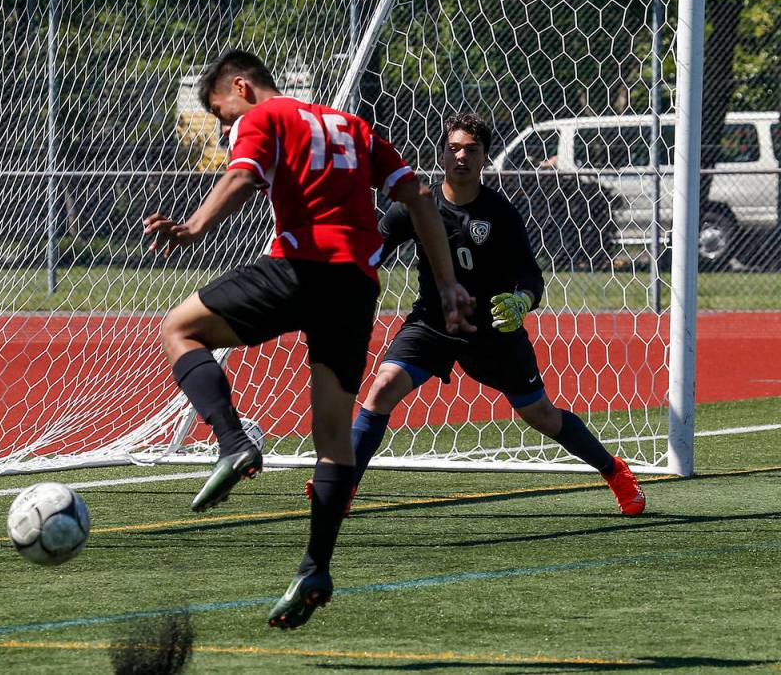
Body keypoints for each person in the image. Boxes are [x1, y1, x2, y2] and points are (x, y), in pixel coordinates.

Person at [143, 50, 472, 629]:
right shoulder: (354, 125)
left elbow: (243, 176)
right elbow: (419, 195)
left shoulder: (262, 118)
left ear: (241, 88)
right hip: (355, 286)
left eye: (222, 114)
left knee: (178, 328)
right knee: (333, 438)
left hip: (299, 266)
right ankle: (315, 567)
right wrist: (447, 285)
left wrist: (194, 227)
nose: (225, 129)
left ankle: (232, 440)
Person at [320, 112, 645, 517]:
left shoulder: (501, 214)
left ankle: (614, 471)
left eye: (471, 150)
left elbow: (530, 276)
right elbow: (373, 252)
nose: (461, 156)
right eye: (454, 148)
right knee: (382, 389)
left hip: (492, 332)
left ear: (484, 158)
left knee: (540, 415)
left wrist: (521, 302)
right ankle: (343, 486)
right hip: (433, 324)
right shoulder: (416, 206)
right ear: (441, 153)